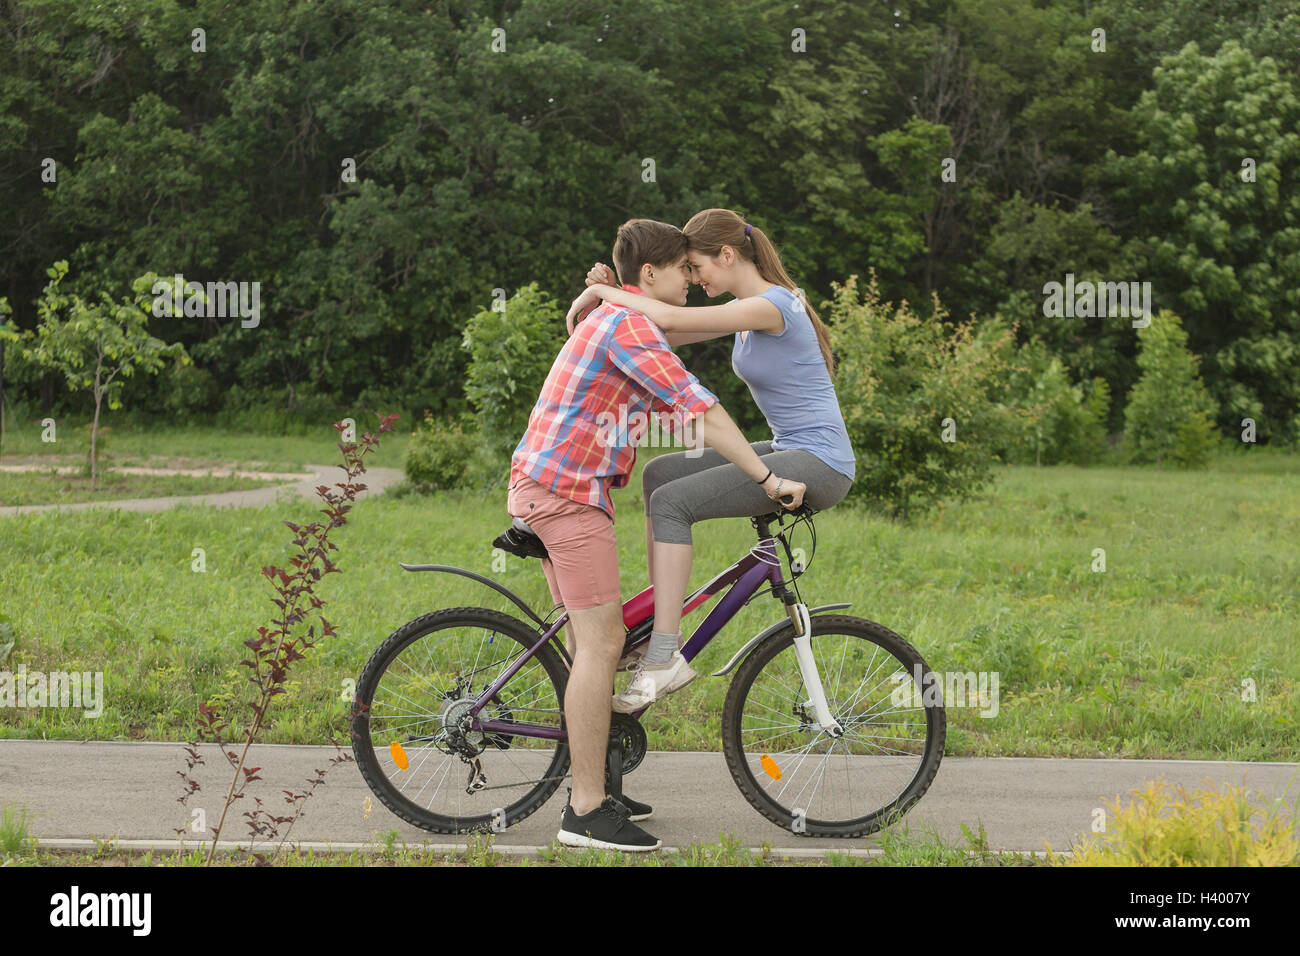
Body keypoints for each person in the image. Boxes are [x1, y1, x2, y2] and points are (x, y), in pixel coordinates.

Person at [508, 218, 805, 852]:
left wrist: (599, 292)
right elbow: (702, 411)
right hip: (566, 496)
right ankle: (584, 811)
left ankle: (596, 776)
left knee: (604, 643)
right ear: (650, 275)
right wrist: (766, 476)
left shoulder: (624, 322)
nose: (694, 283)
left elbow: (669, 379)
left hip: (556, 486)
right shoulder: (632, 328)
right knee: (604, 641)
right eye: (683, 272)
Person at [564, 208, 856, 714]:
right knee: (660, 476)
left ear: (727, 254)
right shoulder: (745, 314)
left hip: (820, 462)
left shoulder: (774, 305)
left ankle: (663, 654)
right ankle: (660, 621)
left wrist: (605, 294)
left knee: (675, 502)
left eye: (698, 267)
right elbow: (659, 334)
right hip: (790, 446)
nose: (695, 279)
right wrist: (620, 297)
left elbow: (673, 319)